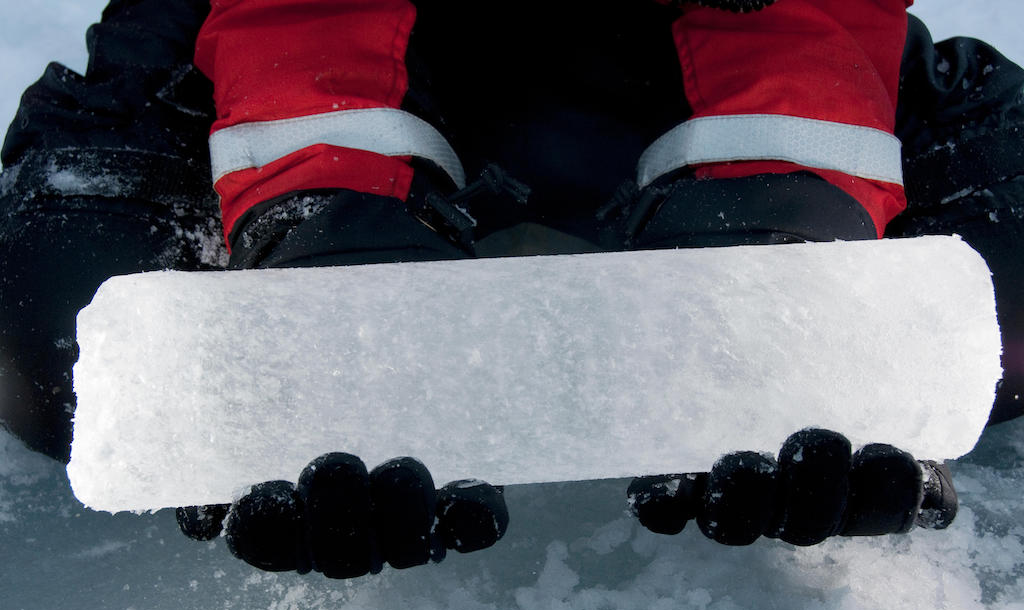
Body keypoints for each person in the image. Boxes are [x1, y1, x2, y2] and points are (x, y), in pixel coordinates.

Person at [1, 0, 1020, 577]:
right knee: (63, 361)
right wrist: (318, 255)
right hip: (253, 48)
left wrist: (793, 247)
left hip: (705, 47)